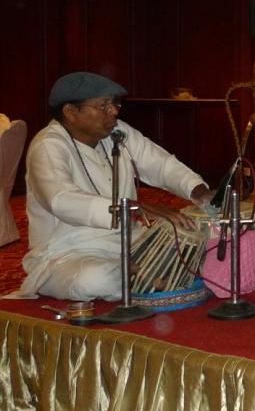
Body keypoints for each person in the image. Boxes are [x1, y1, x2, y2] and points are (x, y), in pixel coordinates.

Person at [15, 71, 213, 301]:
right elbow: (60, 199)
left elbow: (160, 164)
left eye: (115, 103)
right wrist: (131, 207)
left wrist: (198, 190)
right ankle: (144, 275)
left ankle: (142, 273)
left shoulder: (117, 132)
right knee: (94, 279)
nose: (114, 111)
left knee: (193, 236)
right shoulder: (47, 146)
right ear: (71, 112)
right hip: (68, 252)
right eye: (104, 105)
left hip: (129, 240)